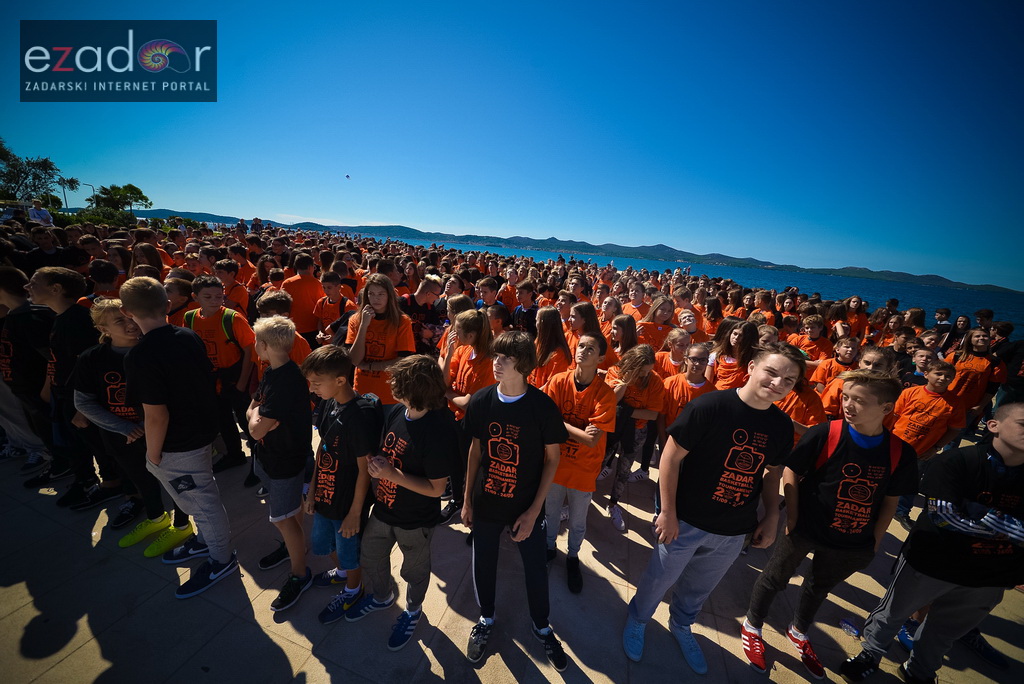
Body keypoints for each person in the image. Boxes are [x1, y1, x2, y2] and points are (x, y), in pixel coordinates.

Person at [623, 343, 804, 675]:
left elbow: (772, 471)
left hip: (734, 529)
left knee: (699, 588)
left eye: (789, 380)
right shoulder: (710, 406)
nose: (778, 384)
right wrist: (667, 512)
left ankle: (681, 625)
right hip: (685, 520)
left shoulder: (780, 425)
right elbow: (670, 458)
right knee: (658, 579)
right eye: (772, 372)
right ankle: (638, 619)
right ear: (751, 367)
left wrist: (772, 515)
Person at [740, 370, 917, 679]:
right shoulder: (826, 433)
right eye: (846, 397)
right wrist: (792, 516)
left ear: (887, 408)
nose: (848, 405)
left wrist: (875, 539)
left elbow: (890, 500)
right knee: (775, 577)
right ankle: (753, 624)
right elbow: (791, 471)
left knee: (819, 586)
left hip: (852, 538)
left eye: (860, 400)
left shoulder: (900, 452)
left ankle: (799, 631)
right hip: (807, 528)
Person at [840, 401, 1024, 684]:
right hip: (931, 563)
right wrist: (1010, 526)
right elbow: (943, 517)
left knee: (945, 631)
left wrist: (980, 515)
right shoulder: (957, 461)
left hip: (990, 577)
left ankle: (920, 672)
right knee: (894, 613)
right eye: (1023, 424)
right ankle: (871, 654)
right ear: (993, 425)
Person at [119, 276, 234, 599]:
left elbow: (156, 415)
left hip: (177, 443)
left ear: (128, 312)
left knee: (202, 503)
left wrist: (153, 456)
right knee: (200, 498)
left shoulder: (140, 356)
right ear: (168, 305)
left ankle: (221, 558)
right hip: (200, 430)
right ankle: (206, 541)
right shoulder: (188, 336)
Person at [462, 331, 570, 671]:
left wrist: (535, 509)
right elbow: (476, 451)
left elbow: (553, 459)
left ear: (522, 365)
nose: (496, 362)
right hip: (487, 503)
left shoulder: (542, 407)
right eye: (496, 355)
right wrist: (466, 500)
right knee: (484, 565)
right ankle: (486, 619)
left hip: (526, 505)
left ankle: (541, 626)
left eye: (505, 358)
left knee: (536, 568)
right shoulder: (481, 400)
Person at [345, 355, 458, 651]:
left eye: (397, 380)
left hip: (415, 520)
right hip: (383, 511)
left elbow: (436, 490)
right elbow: (390, 451)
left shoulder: (438, 429)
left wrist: (391, 474)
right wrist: (378, 463)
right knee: (371, 556)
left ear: (414, 388)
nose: (390, 382)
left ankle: (412, 611)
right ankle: (382, 596)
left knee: (415, 571)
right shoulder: (398, 411)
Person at [73, 298, 192, 554]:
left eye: (131, 317)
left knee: (177, 482)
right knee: (141, 480)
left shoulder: (156, 350)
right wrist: (123, 427)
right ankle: (156, 518)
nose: (130, 324)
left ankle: (182, 526)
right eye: (120, 321)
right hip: (121, 438)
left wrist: (146, 425)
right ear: (103, 329)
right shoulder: (91, 358)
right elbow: (83, 401)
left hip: (164, 434)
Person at [301, 345, 380, 623]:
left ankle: (353, 589)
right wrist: (312, 489)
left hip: (346, 501)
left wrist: (355, 513)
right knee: (322, 543)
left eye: (317, 383)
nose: (312, 389)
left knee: (348, 549)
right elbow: (322, 446)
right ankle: (345, 574)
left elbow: (364, 470)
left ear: (340, 380)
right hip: (324, 492)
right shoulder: (328, 402)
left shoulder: (359, 417)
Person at [247, 315, 315, 612]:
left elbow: (255, 427)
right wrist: (257, 415)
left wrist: (256, 418)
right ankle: (291, 548)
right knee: (290, 515)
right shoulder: (273, 371)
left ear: (263, 345)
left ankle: (300, 574)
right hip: (271, 458)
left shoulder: (287, 380)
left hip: (285, 462)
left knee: (282, 519)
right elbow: (253, 408)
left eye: (255, 341)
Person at [543, 331, 617, 592]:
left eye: (590, 348)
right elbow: (545, 421)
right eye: (581, 345)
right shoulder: (558, 380)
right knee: (550, 513)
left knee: (577, 520)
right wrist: (573, 429)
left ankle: (573, 557)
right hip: (554, 464)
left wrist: (557, 424)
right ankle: (549, 548)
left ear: (601, 358)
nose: (582, 350)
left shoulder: (604, 394)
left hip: (584, 469)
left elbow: (590, 441)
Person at [184, 275, 256, 475]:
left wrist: (242, 383)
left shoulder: (231, 318)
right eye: (208, 297)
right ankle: (234, 454)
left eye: (219, 296)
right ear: (195, 297)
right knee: (222, 420)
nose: (215, 301)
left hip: (233, 377)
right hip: (209, 379)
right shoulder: (190, 318)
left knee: (245, 420)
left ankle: (258, 464)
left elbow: (251, 350)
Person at [887, 360, 965, 530]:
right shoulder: (910, 393)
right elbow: (893, 417)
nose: (943, 378)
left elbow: (954, 430)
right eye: (939, 374)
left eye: (948, 376)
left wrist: (935, 448)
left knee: (911, 482)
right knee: (884, 474)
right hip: (895, 444)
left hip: (922, 451)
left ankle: (901, 511)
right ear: (926, 374)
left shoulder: (955, 403)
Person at [603, 344, 665, 524]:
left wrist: (624, 411)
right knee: (598, 463)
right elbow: (611, 401)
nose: (645, 375)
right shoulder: (616, 371)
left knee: (624, 468)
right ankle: (585, 498)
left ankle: (614, 503)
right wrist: (626, 382)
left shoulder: (655, 381)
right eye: (642, 371)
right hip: (612, 427)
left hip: (636, 430)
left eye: (648, 371)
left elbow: (652, 414)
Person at [346, 273, 416, 405]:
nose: (375, 298)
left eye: (381, 294)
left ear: (389, 295)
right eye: (371, 294)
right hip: (362, 390)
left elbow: (402, 361)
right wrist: (363, 326)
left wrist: (370, 366)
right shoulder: (356, 320)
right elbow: (355, 360)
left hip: (390, 395)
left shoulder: (402, 321)